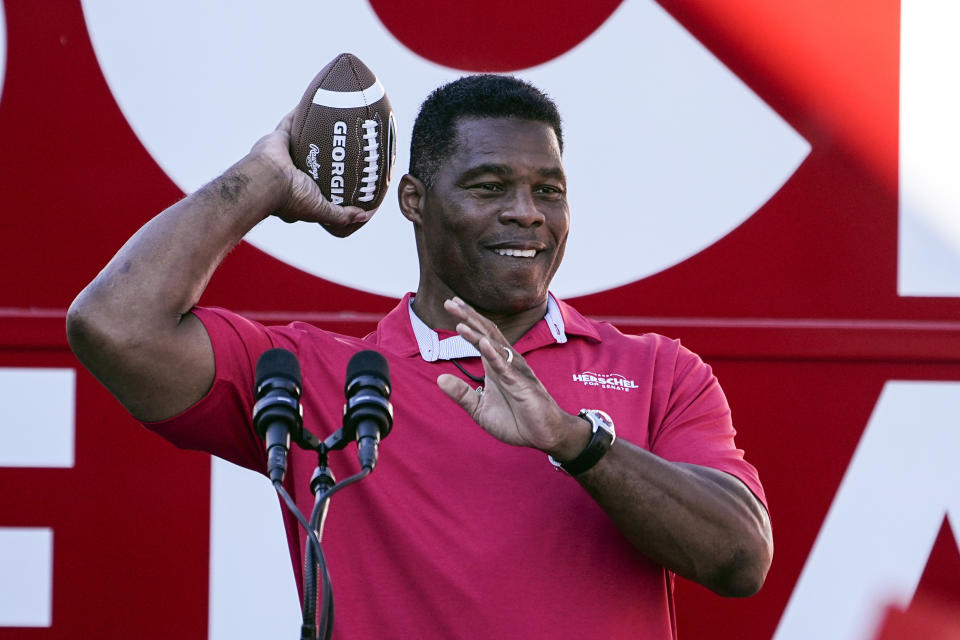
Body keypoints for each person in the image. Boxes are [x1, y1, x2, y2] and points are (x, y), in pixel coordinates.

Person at [67, 74, 772, 638]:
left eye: (547, 191)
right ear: (415, 200)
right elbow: (113, 325)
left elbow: (742, 558)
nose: (527, 212)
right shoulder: (325, 377)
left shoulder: (658, 370)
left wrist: (571, 439)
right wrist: (260, 183)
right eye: (489, 186)